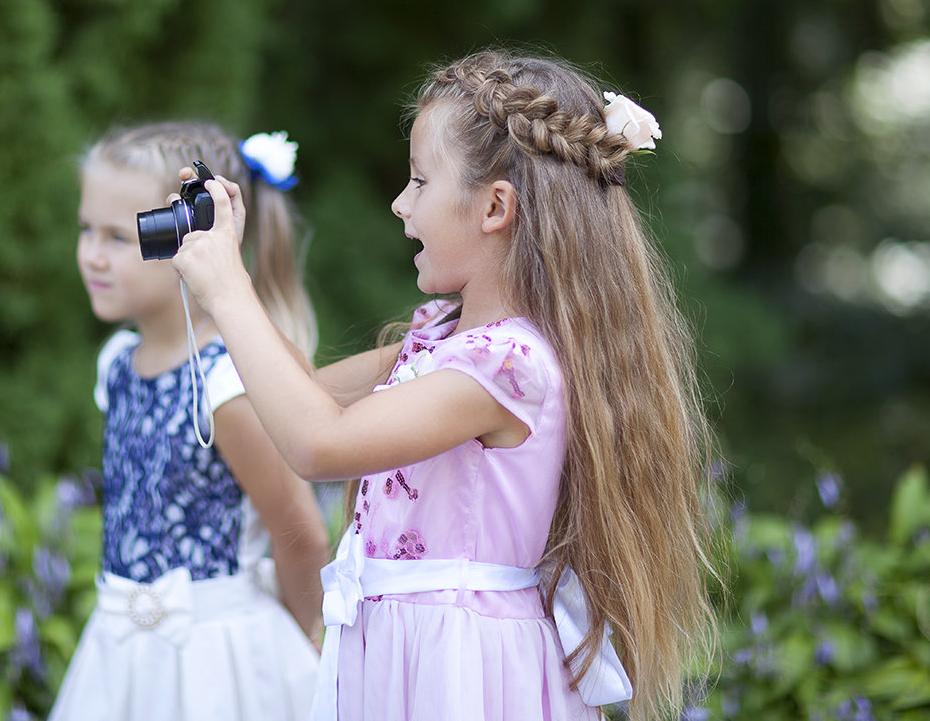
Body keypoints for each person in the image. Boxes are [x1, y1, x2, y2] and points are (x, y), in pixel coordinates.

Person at [171, 51, 718, 721]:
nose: (401, 204)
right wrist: (235, 271)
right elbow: (297, 393)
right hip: (404, 657)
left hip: (461, 673)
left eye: (420, 181)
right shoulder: (440, 340)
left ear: (495, 206)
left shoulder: (507, 368)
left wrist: (227, 291)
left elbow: (317, 442)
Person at [51, 121, 330, 721]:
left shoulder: (226, 385)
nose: (91, 255)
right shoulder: (117, 366)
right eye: (85, 230)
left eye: (118, 238)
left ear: (190, 235)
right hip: (121, 655)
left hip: (218, 661)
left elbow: (299, 529)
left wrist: (307, 637)